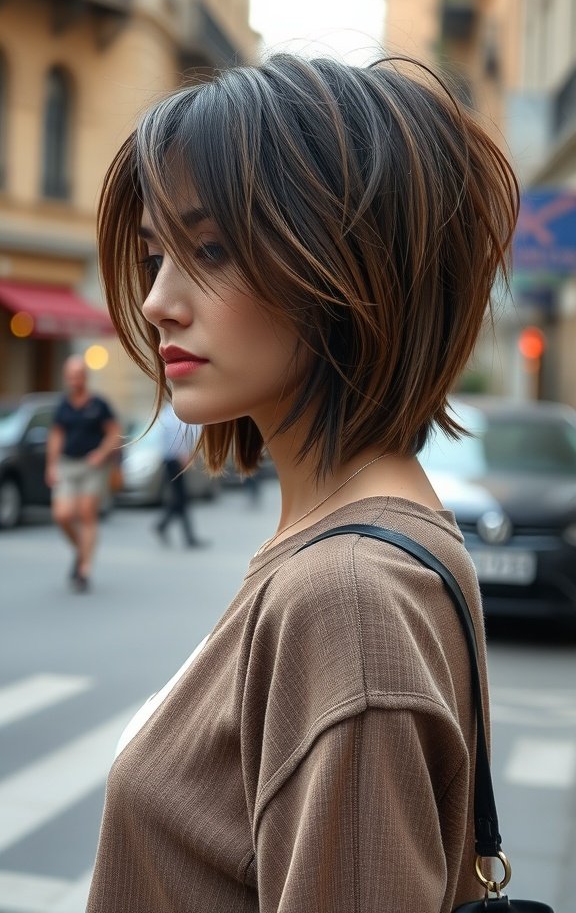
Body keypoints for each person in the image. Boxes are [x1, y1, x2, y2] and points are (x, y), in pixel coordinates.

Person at [88, 54, 518, 911]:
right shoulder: (351, 549)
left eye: (209, 249)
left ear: (347, 265)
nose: (156, 302)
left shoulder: (348, 593)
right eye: (154, 255)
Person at [46, 354, 120, 591]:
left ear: (85, 377)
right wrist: (51, 465)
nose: (74, 379)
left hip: (92, 466)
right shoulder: (63, 406)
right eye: (70, 376)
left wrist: (101, 452)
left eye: (78, 375)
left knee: (87, 513)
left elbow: (114, 432)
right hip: (67, 464)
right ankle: (82, 550)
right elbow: (56, 436)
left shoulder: (99, 404)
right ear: (66, 378)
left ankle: (84, 569)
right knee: (62, 515)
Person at [154, 399, 205, 546]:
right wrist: (184, 455)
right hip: (174, 461)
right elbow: (180, 435)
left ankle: (166, 527)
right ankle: (185, 536)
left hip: (170, 460)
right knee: (180, 498)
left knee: (179, 498)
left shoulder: (167, 413)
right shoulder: (174, 414)